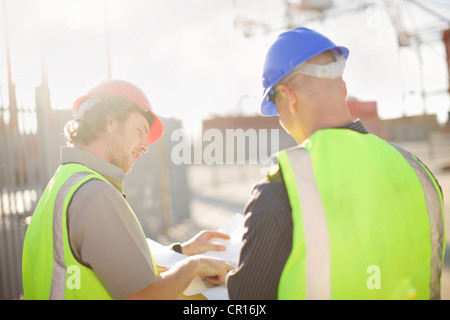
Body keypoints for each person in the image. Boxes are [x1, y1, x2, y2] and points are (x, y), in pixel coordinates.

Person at [226, 27, 445, 300]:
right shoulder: (416, 171)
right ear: (342, 88)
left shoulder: (283, 187)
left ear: (289, 96)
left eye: (275, 104)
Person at [22, 79, 233, 300]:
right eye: (140, 131)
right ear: (109, 122)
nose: (145, 146)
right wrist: (194, 266)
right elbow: (144, 297)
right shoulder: (95, 194)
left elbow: (109, 263)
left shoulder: (62, 183)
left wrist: (180, 251)